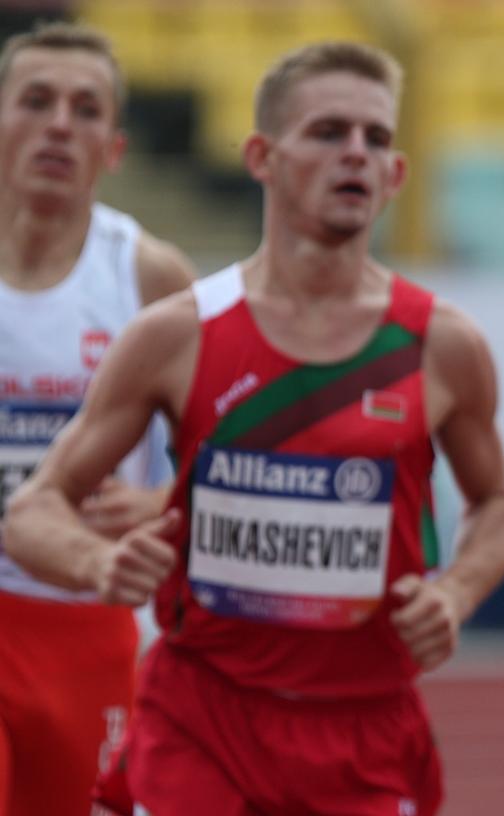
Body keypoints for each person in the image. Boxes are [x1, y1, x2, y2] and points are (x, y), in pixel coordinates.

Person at [5, 40, 504, 815]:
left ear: (395, 176)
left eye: (375, 139)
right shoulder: (177, 333)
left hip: (365, 725)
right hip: (201, 716)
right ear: (261, 156)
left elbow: (498, 502)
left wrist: (454, 593)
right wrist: (96, 562)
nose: (354, 153)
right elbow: (34, 508)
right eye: (327, 132)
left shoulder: (441, 345)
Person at [0, 22, 194, 816]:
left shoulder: (147, 275)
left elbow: (227, 450)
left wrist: (161, 504)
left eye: (85, 109)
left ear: (113, 149)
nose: (58, 125)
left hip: (89, 619)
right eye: (36, 101)